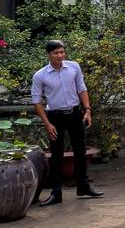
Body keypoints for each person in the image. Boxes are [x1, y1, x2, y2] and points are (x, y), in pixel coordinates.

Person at [31, 40, 104, 206]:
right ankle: (56, 193)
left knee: (80, 150)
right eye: (56, 53)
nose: (60, 56)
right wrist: (47, 124)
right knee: (56, 155)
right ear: (48, 54)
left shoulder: (73, 67)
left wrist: (87, 110)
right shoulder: (40, 75)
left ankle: (83, 186)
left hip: (74, 113)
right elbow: (36, 101)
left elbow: (81, 88)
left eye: (62, 52)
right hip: (54, 116)